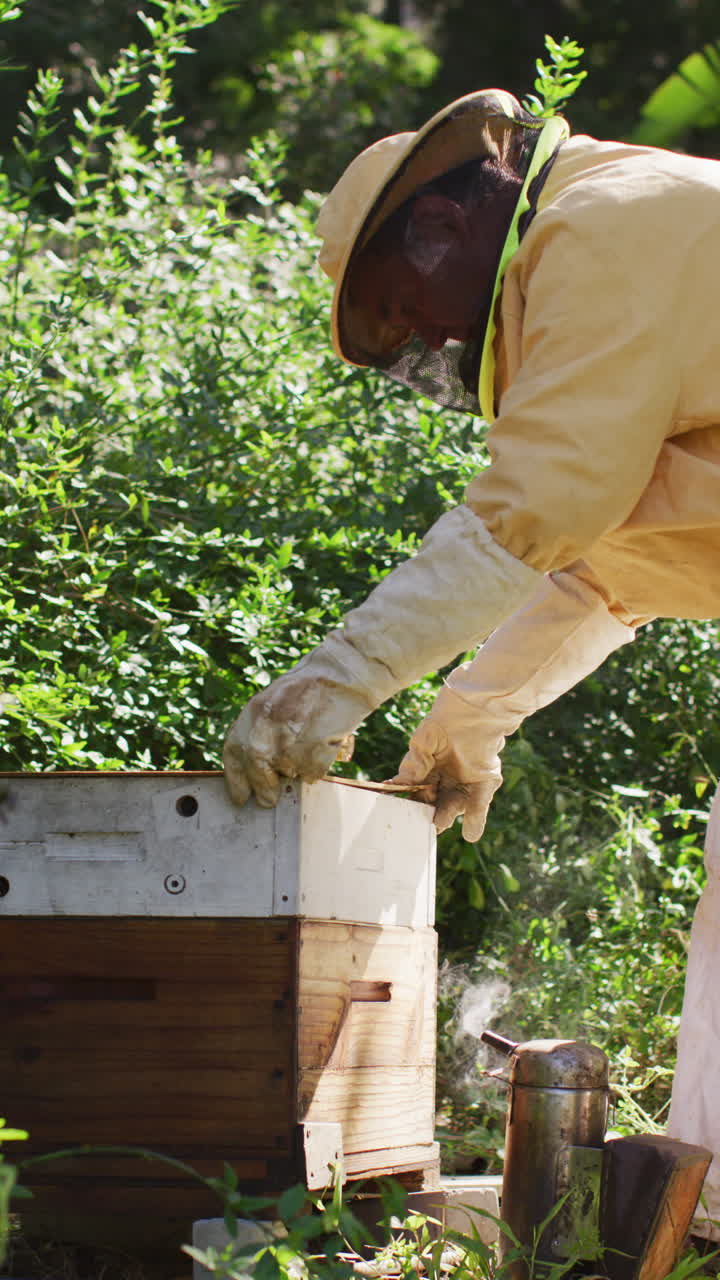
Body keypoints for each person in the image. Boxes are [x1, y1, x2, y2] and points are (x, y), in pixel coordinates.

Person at [222, 89, 720, 1239]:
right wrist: (472, 713)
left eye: (409, 312)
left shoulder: (608, 229)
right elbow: (610, 567)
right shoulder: (597, 263)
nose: (435, 344)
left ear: (441, 228)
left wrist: (342, 673)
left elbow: (538, 506)